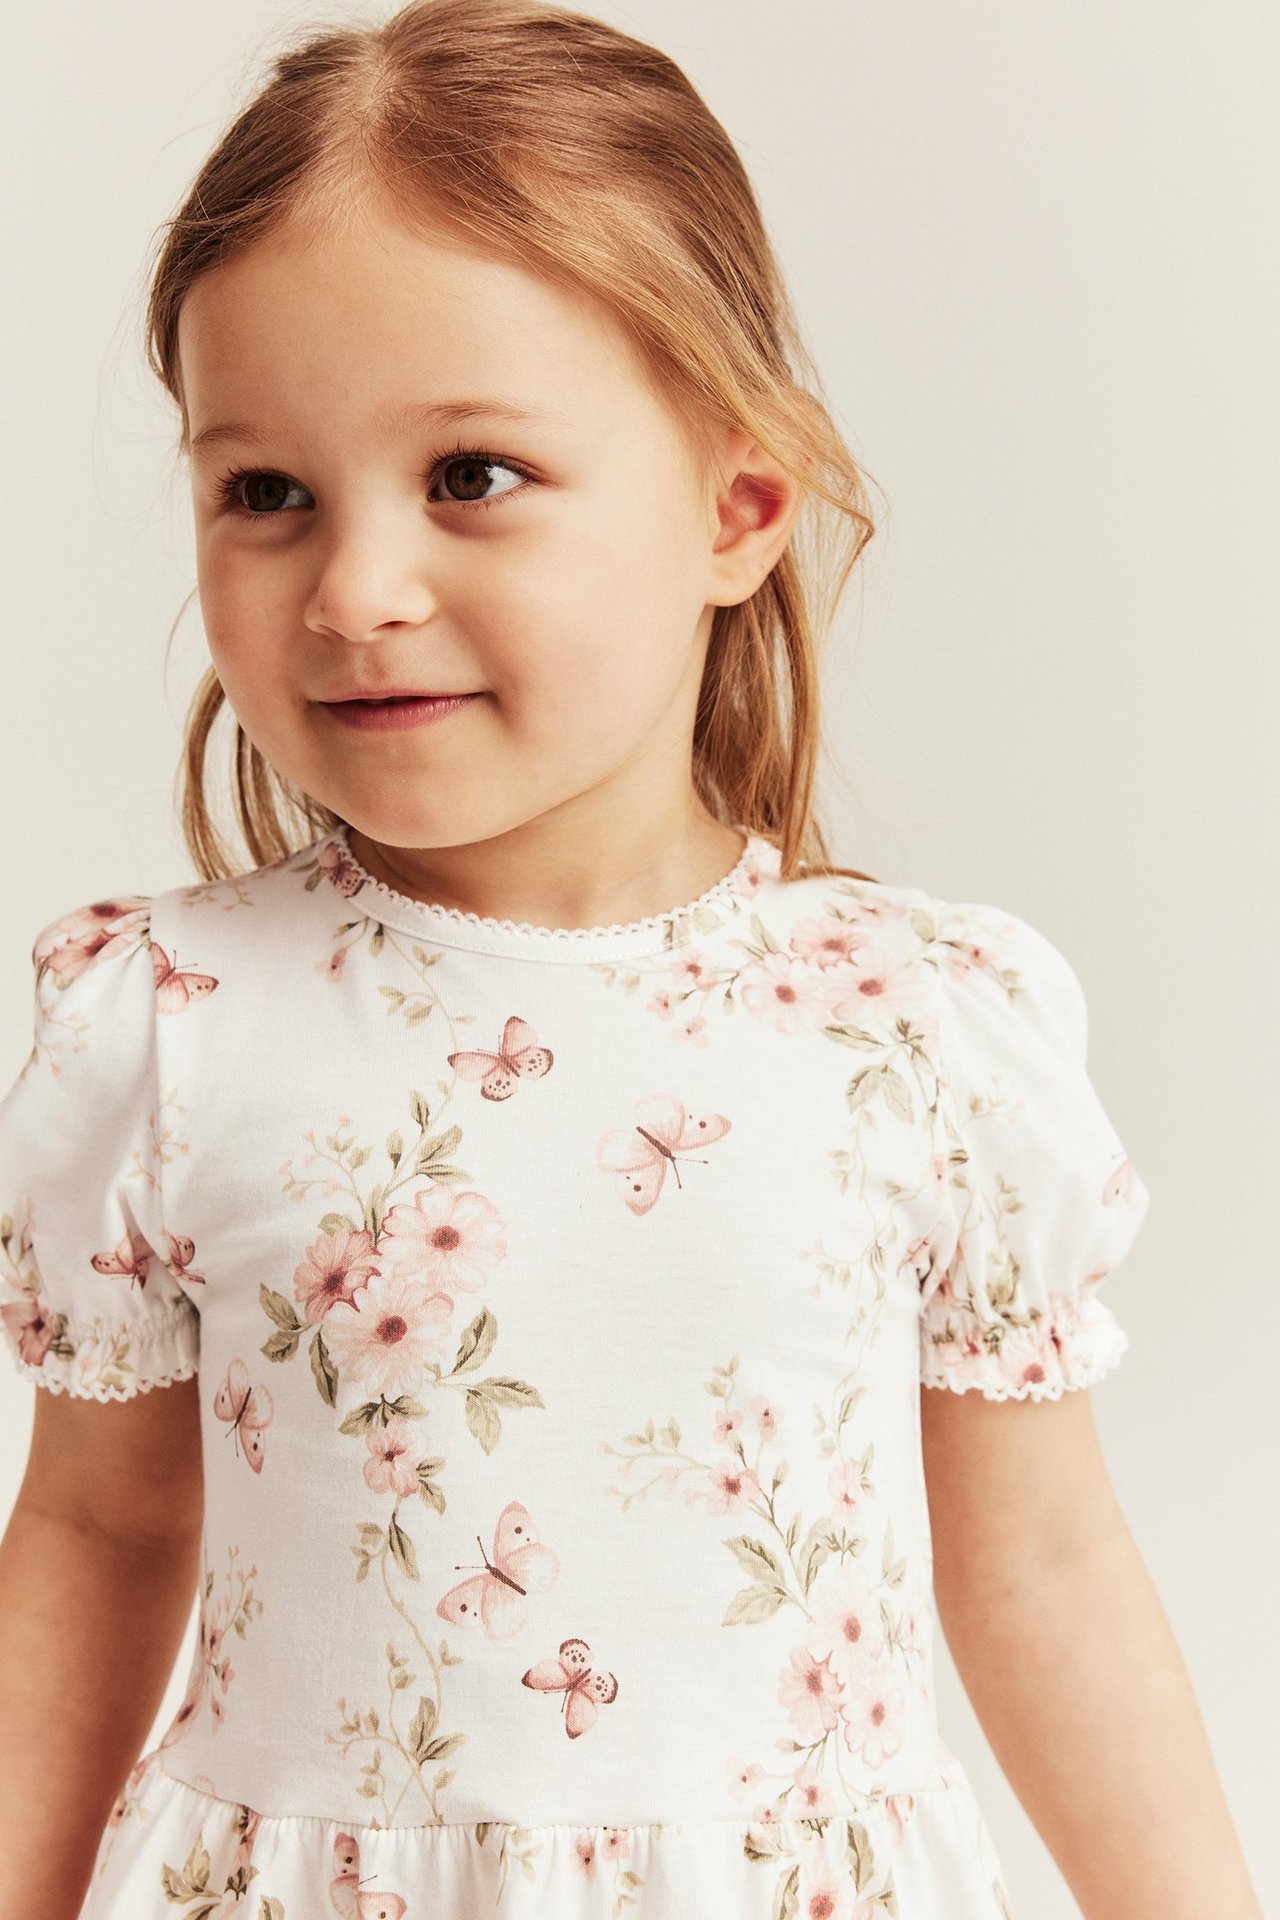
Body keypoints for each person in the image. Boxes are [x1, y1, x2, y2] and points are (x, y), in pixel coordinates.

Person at [0, 3, 1262, 1917]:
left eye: (472, 473)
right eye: (266, 493)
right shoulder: (169, 1028)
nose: (355, 591)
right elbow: (96, 1538)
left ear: (736, 508)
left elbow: (1045, 1567)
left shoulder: (915, 1030)